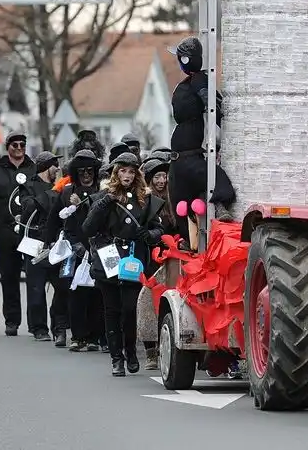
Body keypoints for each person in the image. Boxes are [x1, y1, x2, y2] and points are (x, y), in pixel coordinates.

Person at [83, 152, 165, 377]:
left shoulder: (146, 198)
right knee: (111, 310)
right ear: (115, 172)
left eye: (131, 171)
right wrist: (106, 201)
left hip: (133, 257)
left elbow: (159, 228)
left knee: (129, 310)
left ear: (136, 174)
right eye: (123, 171)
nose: (127, 175)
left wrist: (149, 235)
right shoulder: (102, 197)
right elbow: (88, 228)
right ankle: (116, 358)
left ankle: (130, 351)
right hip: (109, 256)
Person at [166, 35, 236, 227]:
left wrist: (211, 104)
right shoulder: (186, 84)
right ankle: (187, 238)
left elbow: (214, 105)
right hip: (180, 159)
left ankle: (220, 206)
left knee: (214, 177)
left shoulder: (198, 81)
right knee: (180, 204)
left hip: (189, 156)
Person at [0, 131, 36, 337]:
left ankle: (36, 324)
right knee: (9, 278)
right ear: (8, 147)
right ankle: (12, 320)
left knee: (35, 278)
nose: (19, 148)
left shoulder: (34, 169)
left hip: (31, 232)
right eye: (15, 145)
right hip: (6, 230)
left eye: (22, 144)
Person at [47, 149, 106, 352]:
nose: (87, 175)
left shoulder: (104, 190)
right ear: (76, 172)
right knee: (75, 294)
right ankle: (78, 336)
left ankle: (94, 337)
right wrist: (66, 245)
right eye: (82, 171)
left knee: (97, 294)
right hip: (75, 249)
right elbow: (55, 220)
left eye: (90, 170)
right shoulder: (66, 192)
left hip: (99, 248)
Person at [19, 151, 67, 344]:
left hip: (57, 243)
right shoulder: (28, 186)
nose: (58, 169)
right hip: (36, 242)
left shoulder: (62, 186)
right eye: (55, 165)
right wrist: (54, 192)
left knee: (62, 288)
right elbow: (28, 207)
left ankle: (59, 326)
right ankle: (38, 327)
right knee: (36, 289)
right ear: (47, 166)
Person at [139, 158, 176, 370]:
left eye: (165, 176)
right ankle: (150, 351)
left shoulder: (173, 198)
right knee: (148, 303)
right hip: (151, 257)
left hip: (171, 257)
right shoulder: (145, 201)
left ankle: (165, 346)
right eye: (157, 177)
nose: (162, 181)